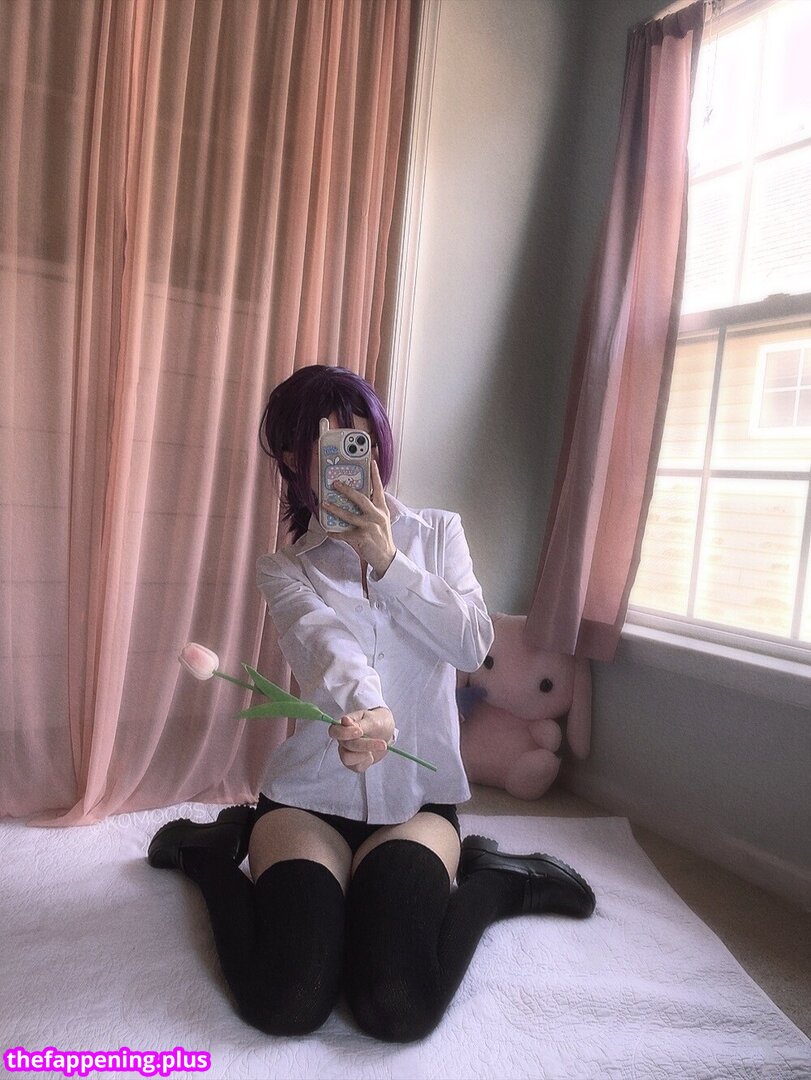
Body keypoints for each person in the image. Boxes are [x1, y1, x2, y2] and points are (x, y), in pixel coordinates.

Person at [147, 364, 595, 1042]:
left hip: (415, 805)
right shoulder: (285, 568)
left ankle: (499, 882)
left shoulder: (439, 535)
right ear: (292, 461)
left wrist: (388, 561)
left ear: (377, 443)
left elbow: (472, 645)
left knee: (397, 1006)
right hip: (308, 802)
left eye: (355, 439)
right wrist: (370, 710)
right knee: (286, 1001)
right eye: (320, 445)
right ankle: (208, 853)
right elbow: (324, 646)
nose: (343, 459)